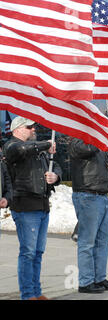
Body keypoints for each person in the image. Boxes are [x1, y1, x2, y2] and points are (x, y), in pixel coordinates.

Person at [4, 117, 61, 300]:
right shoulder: (12, 146)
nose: (33, 129)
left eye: (34, 127)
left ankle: (36, 292)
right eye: (29, 127)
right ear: (17, 130)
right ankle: (28, 294)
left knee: (37, 252)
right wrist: (46, 144)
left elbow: (56, 165)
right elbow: (21, 150)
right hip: (25, 205)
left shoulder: (37, 150)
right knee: (28, 252)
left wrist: (55, 176)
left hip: (42, 204)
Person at [68, 138, 108, 294]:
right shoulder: (77, 141)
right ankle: (85, 281)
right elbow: (87, 149)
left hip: (102, 196)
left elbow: (104, 169)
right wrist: (100, 138)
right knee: (87, 242)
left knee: (102, 241)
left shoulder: (99, 145)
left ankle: (99, 278)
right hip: (87, 195)